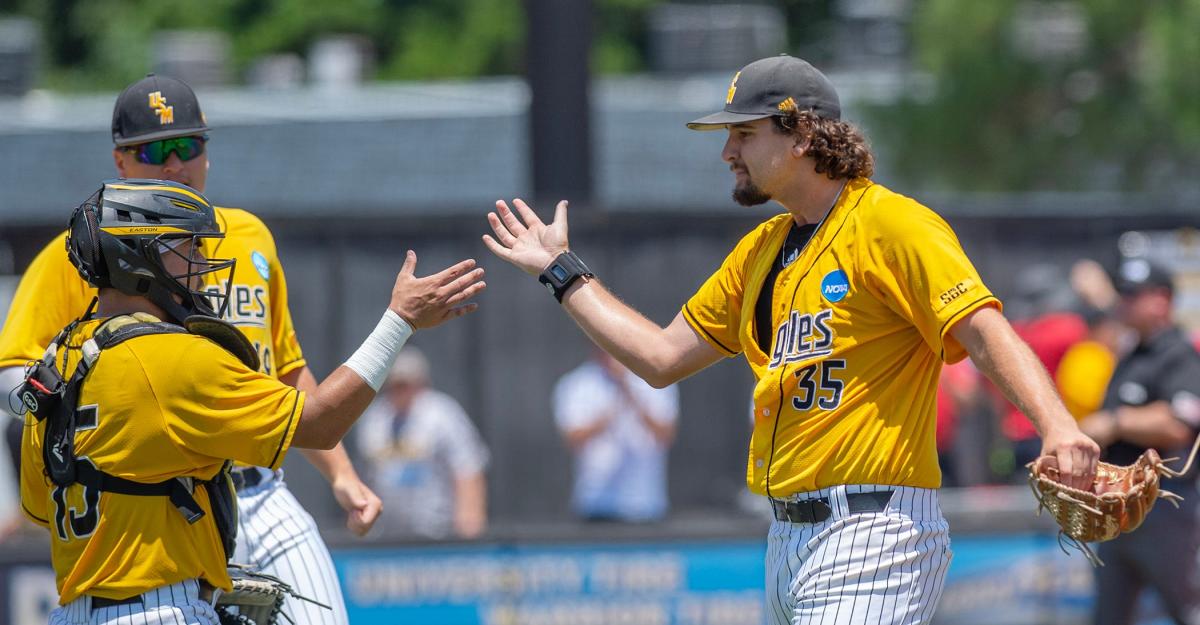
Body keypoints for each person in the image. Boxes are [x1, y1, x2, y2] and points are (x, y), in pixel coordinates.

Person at [482, 54, 1099, 624]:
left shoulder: (891, 225)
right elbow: (660, 357)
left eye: (744, 133)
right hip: (785, 541)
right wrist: (561, 273)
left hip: (873, 530)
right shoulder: (761, 251)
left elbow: (983, 328)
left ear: (802, 135)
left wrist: (1058, 426)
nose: (727, 151)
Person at [0, 74, 379, 625]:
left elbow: (288, 371)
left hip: (258, 488)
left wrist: (342, 475)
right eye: (154, 149)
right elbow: (17, 375)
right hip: (160, 502)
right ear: (121, 162)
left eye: (189, 145)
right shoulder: (88, 251)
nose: (175, 162)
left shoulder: (249, 236)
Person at [20, 179, 484, 624]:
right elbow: (320, 423)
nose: (201, 259)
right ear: (141, 258)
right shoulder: (175, 358)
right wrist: (399, 320)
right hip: (162, 610)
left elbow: (39, 507)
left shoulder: (56, 361)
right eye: (187, 246)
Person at [1078, 258, 1200, 625]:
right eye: (1122, 294)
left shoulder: (1177, 354)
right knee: (1110, 615)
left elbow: (1179, 425)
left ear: (1162, 300)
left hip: (1166, 507)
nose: (1123, 301)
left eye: (1133, 294)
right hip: (1119, 510)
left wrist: (1115, 423)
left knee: (1188, 609)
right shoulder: (1131, 354)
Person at [354, 348, 490, 539]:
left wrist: (469, 524)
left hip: (439, 533)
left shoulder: (442, 413)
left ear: (421, 383)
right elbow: (361, 477)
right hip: (387, 535)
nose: (400, 391)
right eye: (395, 384)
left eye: (406, 384)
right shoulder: (375, 419)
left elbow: (468, 469)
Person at [553, 349, 678, 522]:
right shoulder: (576, 383)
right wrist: (609, 413)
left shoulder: (656, 380)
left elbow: (665, 434)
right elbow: (573, 439)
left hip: (645, 504)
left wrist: (629, 391)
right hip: (596, 504)